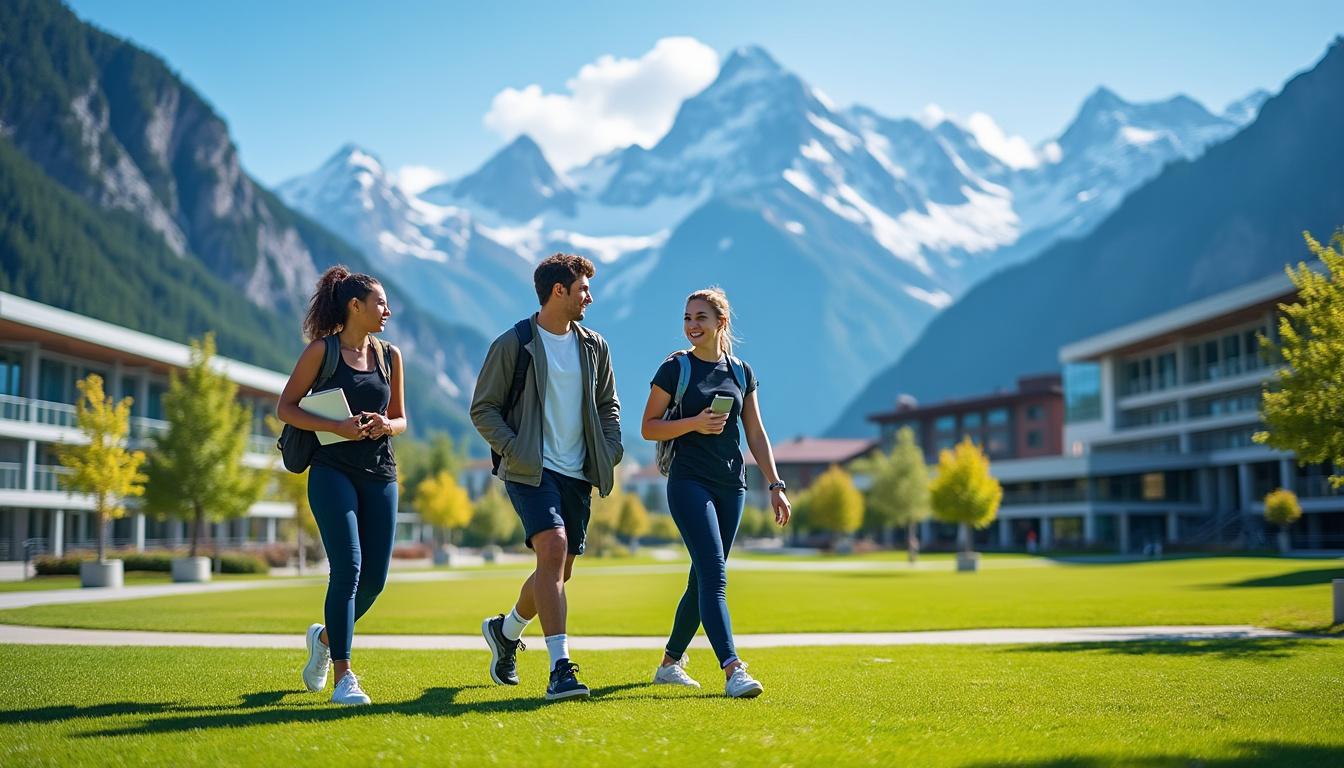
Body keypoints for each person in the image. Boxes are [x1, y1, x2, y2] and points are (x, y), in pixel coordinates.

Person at [471, 253, 623, 701]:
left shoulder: (594, 345)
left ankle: (506, 630)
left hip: (578, 473)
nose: (589, 298)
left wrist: (609, 451)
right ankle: (561, 668)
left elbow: (608, 406)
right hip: (530, 470)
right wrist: (517, 449)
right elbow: (483, 409)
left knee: (559, 569)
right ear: (559, 291)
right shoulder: (513, 344)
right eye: (583, 290)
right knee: (553, 549)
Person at [640, 287, 791, 698]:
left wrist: (775, 485)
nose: (692, 325)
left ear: (720, 323)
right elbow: (649, 426)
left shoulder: (741, 371)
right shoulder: (675, 368)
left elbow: (756, 433)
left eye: (701, 318)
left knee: (701, 578)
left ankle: (670, 664)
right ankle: (733, 668)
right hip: (689, 482)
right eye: (687, 317)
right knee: (715, 575)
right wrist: (693, 423)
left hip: (733, 485)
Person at [277, 266, 406, 706]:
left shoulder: (390, 356)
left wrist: (386, 424)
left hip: (380, 473)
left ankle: (325, 639)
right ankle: (344, 678)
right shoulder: (321, 352)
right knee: (348, 569)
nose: (387, 310)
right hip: (331, 470)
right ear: (355, 306)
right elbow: (286, 408)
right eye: (380, 303)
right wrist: (338, 426)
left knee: (374, 580)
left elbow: (402, 418)